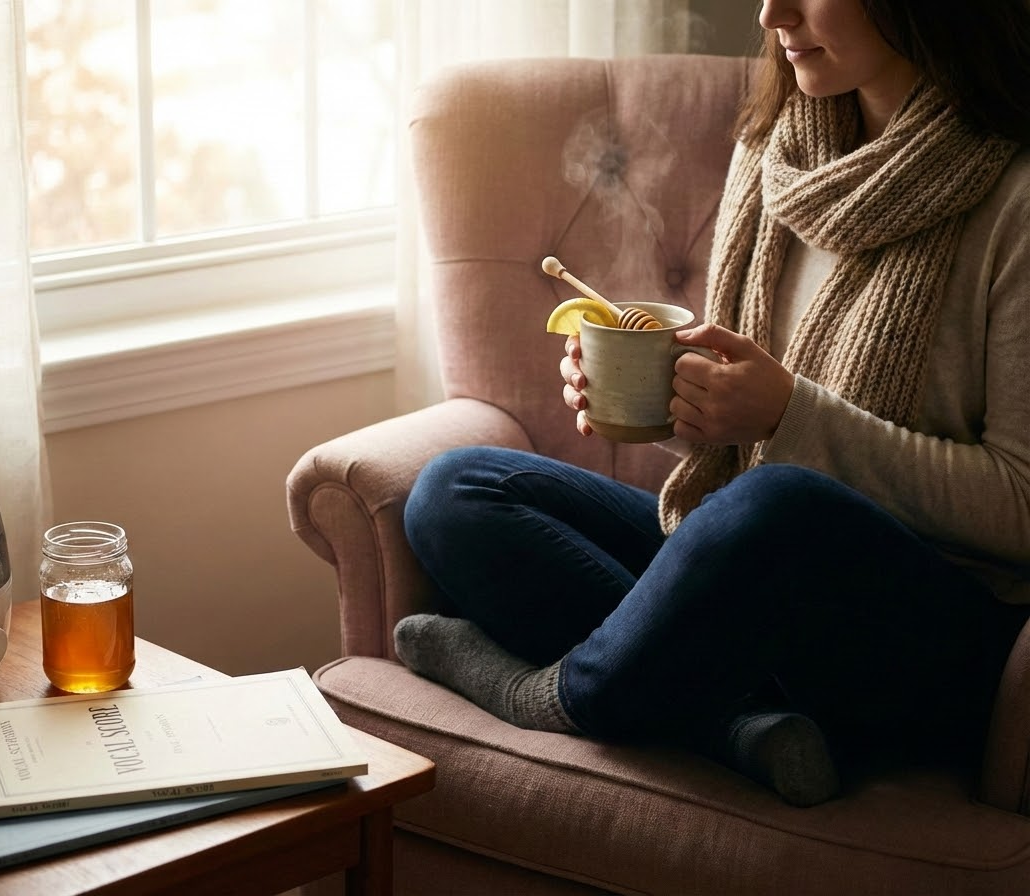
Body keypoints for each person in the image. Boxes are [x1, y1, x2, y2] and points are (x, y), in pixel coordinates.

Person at [392, 0, 1030, 808]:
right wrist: (663, 399)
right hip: (753, 563)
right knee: (457, 490)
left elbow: (1021, 503)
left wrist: (787, 417)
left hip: (926, 635)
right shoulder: (777, 154)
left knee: (777, 502)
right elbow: (739, 447)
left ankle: (562, 695)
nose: (771, 14)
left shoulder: (1015, 198)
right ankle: (736, 724)